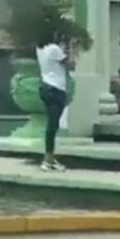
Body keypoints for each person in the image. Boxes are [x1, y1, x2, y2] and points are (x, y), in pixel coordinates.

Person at [36, 31, 71, 172]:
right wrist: (72, 49)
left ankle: (50, 158)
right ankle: (47, 159)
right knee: (52, 125)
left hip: (46, 87)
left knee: (52, 124)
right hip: (56, 89)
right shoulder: (54, 49)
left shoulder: (40, 49)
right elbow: (71, 65)